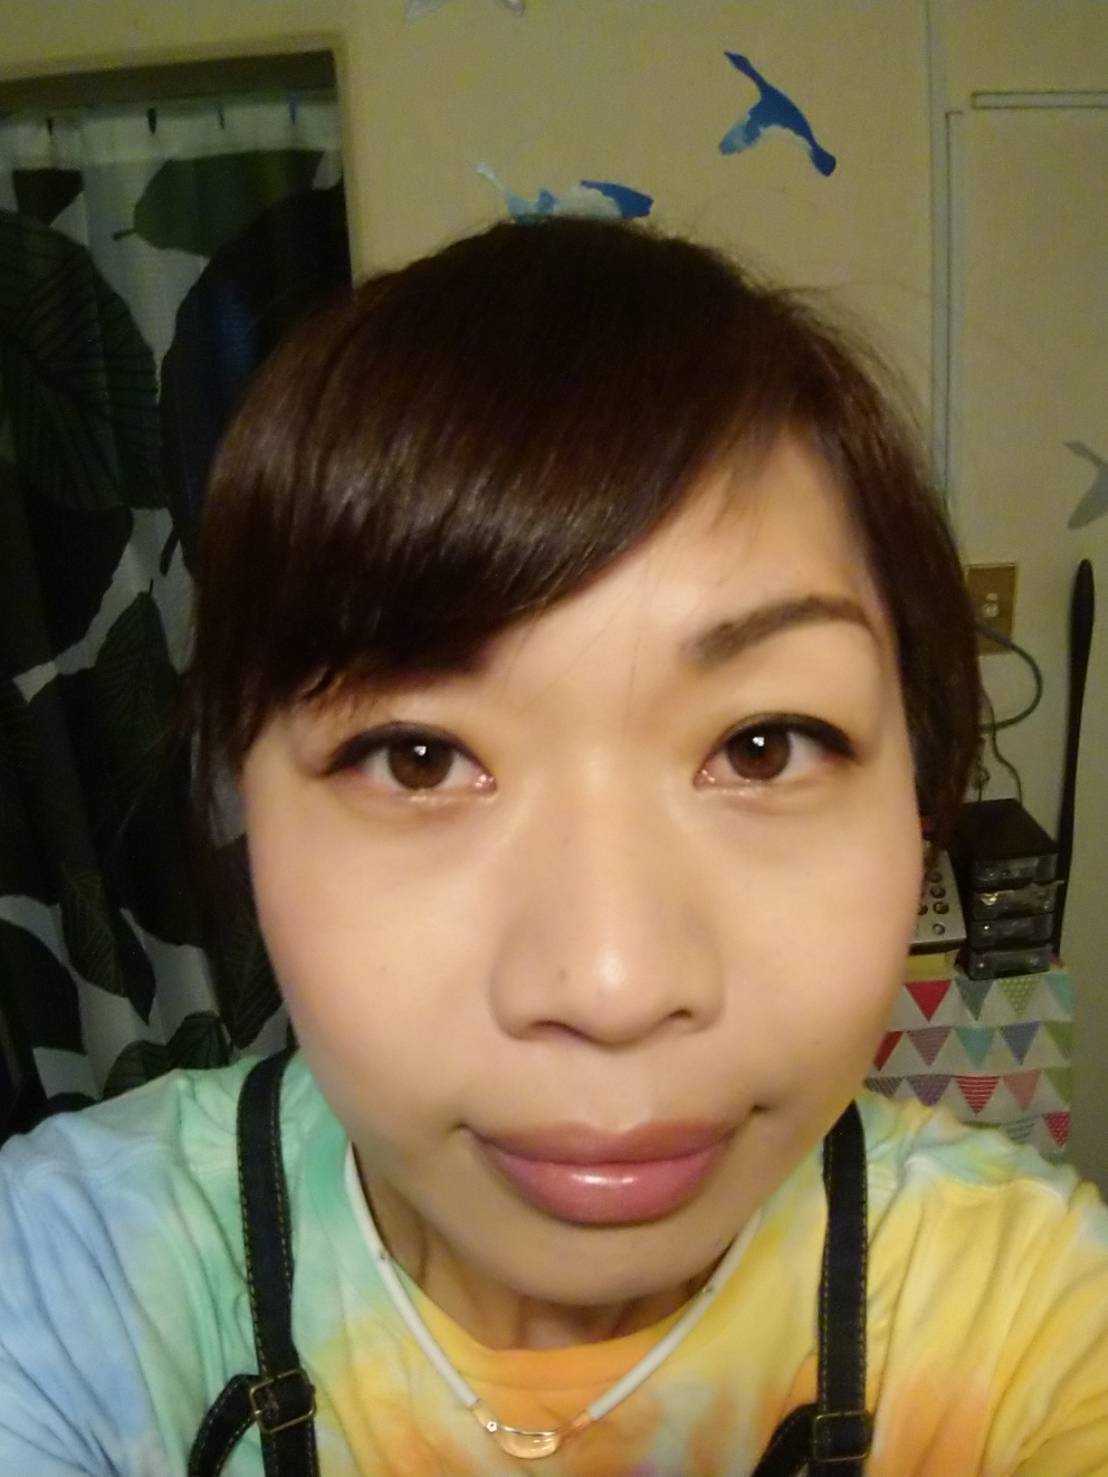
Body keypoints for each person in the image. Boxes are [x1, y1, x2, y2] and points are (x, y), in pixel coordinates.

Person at [0, 217, 1105, 1477]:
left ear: (921, 797)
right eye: (418, 757)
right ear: (240, 800)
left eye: (762, 747)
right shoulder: (81, 1285)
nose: (612, 985)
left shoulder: (1033, 1324)